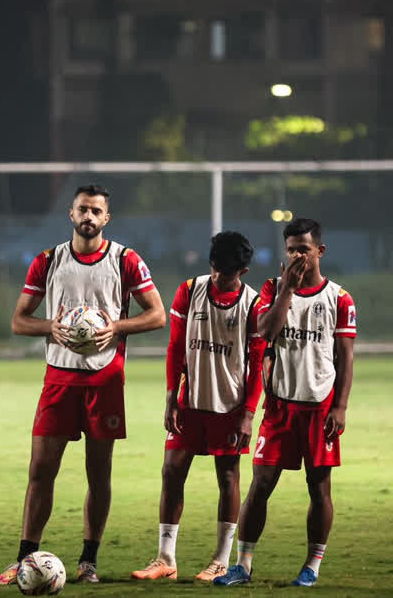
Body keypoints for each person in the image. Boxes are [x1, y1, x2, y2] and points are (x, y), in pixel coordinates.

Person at [0, 184, 166, 586]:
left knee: (98, 474)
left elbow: (157, 315)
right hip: (60, 378)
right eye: (82, 209)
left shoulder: (125, 260)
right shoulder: (48, 261)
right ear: (71, 214)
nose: (89, 216)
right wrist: (51, 326)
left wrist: (116, 326)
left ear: (106, 218)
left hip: (105, 379)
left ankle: (88, 561)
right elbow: (18, 321)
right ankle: (24, 559)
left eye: (96, 211)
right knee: (41, 470)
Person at [215, 218, 356, 588]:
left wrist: (340, 407)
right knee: (260, 484)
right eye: (291, 249)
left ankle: (312, 566)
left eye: (303, 249)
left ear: (319, 251)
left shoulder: (339, 298)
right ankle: (242, 565)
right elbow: (265, 331)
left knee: (319, 487)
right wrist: (287, 293)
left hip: (319, 407)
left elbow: (346, 356)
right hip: (279, 407)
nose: (296, 256)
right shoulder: (272, 288)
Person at [131, 231, 266, 583]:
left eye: (229, 273)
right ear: (211, 263)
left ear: (244, 271)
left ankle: (221, 560)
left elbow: (257, 364)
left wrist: (249, 414)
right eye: (217, 270)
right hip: (189, 402)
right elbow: (176, 347)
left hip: (230, 405)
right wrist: (171, 397)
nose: (220, 278)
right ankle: (166, 558)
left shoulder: (252, 304)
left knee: (227, 476)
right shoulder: (190, 291)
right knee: (171, 471)